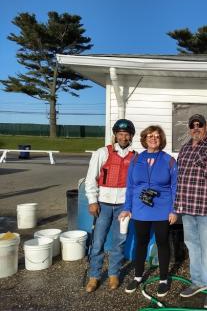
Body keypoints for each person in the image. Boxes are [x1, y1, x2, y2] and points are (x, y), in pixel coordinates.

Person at [174, 114, 207, 310]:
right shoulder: (185, 148)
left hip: (206, 208)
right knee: (193, 246)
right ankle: (198, 281)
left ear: (206, 127)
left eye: (200, 125)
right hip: (187, 208)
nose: (196, 128)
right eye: (192, 125)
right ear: (189, 128)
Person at [119, 125, 178, 296]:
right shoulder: (136, 160)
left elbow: (175, 187)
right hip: (140, 208)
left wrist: (174, 210)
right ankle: (137, 277)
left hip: (162, 208)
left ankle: (163, 279)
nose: (153, 139)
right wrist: (127, 208)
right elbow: (130, 186)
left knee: (162, 242)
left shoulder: (169, 160)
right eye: (150, 136)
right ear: (144, 139)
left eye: (157, 136)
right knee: (141, 242)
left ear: (161, 140)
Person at [85, 119, 136, 292]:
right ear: (115, 135)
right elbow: (91, 178)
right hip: (103, 205)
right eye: (120, 134)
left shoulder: (135, 156)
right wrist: (92, 200)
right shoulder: (102, 152)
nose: (123, 137)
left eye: (126, 134)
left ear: (130, 136)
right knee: (98, 241)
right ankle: (94, 276)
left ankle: (114, 274)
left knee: (119, 241)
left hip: (123, 206)